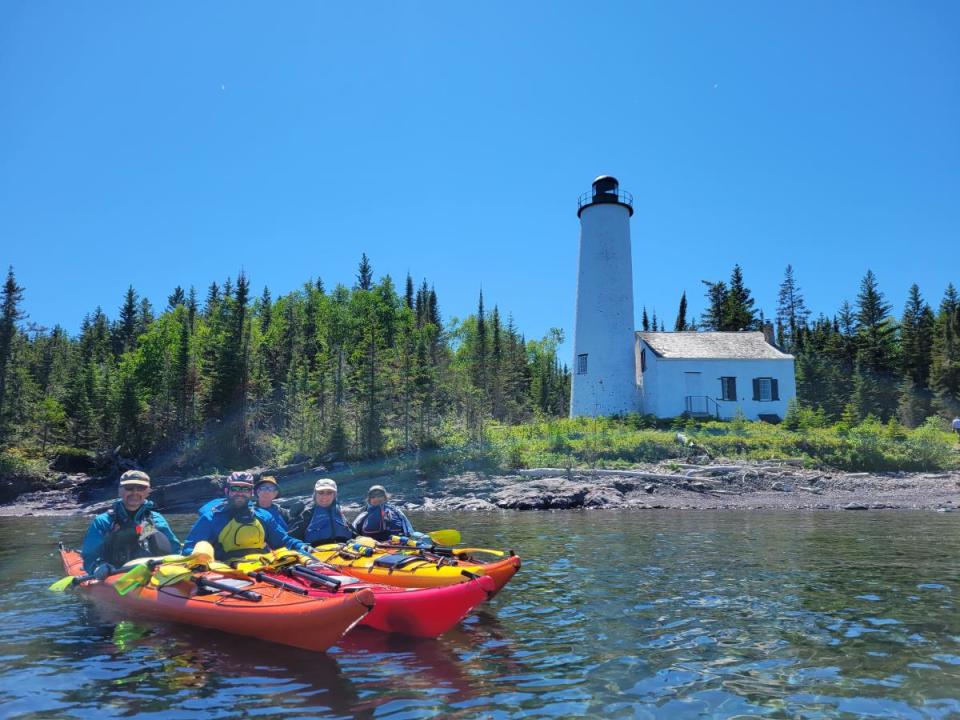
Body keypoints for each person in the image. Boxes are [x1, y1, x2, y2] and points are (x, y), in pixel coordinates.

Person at [182, 471, 312, 560]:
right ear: (227, 491)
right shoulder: (211, 518)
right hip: (224, 572)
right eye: (235, 489)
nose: (240, 493)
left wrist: (301, 546)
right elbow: (189, 548)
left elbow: (283, 541)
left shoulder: (263, 516)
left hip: (261, 568)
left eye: (245, 489)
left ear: (251, 493)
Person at [81, 470, 181, 578]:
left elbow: (175, 549)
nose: (135, 492)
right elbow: (90, 555)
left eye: (141, 488)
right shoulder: (104, 521)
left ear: (148, 491)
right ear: (120, 491)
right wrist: (97, 566)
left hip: (151, 570)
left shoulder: (155, 519)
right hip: (114, 572)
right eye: (129, 488)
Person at [289, 478, 354, 546]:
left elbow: (352, 533)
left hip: (343, 548)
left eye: (329, 492)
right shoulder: (307, 513)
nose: (324, 496)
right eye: (321, 492)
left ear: (334, 495)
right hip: (316, 552)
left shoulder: (338, 511)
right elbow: (291, 538)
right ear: (315, 494)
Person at [351, 484, 417, 541]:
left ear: (385, 497)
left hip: (396, 542)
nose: (376, 498)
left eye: (379, 495)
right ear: (369, 500)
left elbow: (409, 530)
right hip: (373, 545)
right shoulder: (364, 515)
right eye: (373, 496)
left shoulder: (396, 511)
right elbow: (354, 532)